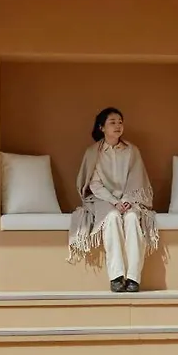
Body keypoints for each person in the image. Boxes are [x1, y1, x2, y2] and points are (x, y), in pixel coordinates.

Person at [67, 107, 160, 292]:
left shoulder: (132, 151)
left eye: (120, 122)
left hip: (129, 200)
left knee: (132, 219)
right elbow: (94, 184)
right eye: (112, 122)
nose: (118, 126)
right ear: (102, 127)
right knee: (112, 218)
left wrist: (126, 200)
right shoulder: (93, 152)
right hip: (103, 200)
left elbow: (136, 179)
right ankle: (116, 276)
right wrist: (114, 202)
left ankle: (133, 278)